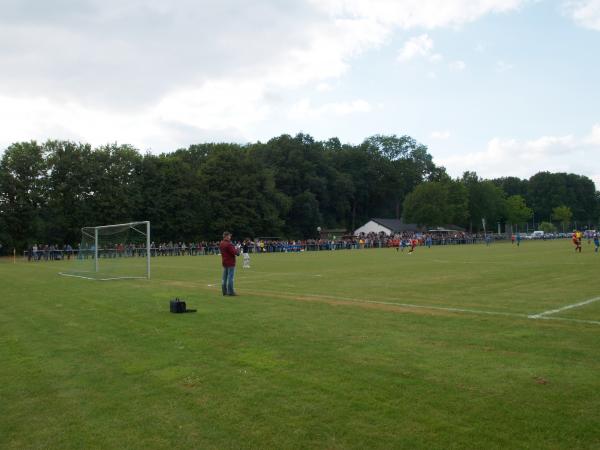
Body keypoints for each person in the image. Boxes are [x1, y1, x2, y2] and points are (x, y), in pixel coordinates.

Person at [219, 231, 240, 296]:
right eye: (229, 236)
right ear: (226, 236)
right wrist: (238, 250)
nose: (230, 237)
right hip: (230, 262)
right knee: (230, 278)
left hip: (224, 262)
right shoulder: (229, 244)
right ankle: (231, 292)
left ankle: (224, 291)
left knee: (224, 278)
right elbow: (235, 252)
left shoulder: (221, 243)